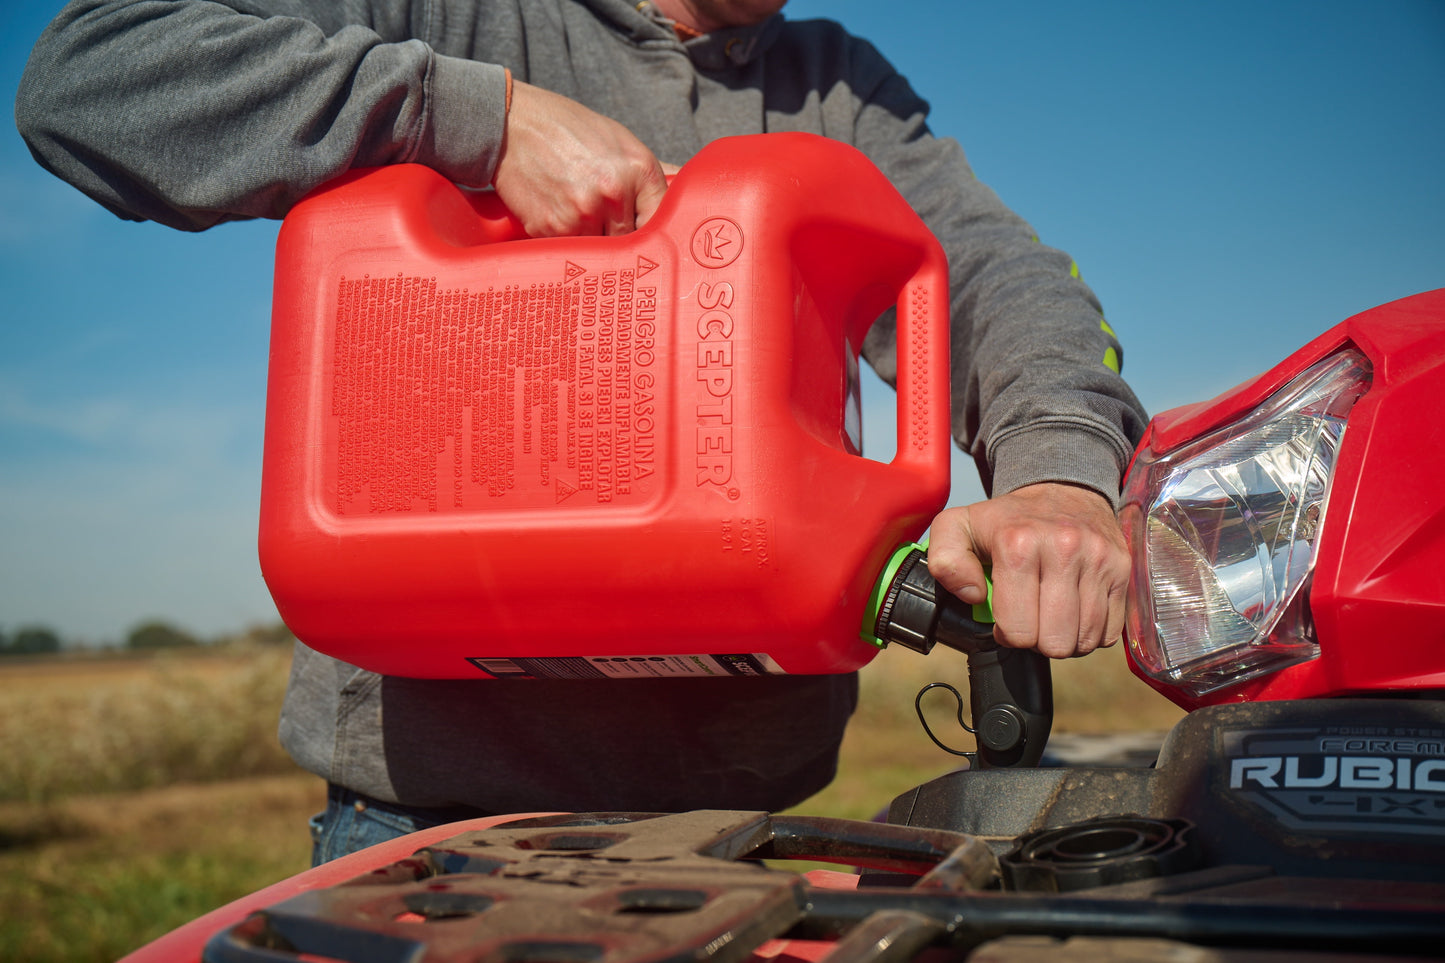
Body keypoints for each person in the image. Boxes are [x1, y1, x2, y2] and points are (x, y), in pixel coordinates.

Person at [16, 0, 1148, 862]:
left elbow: (996, 277)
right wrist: (482, 120)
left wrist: (1058, 469)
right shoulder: (453, 16)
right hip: (425, 826)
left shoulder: (834, 84)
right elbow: (92, 73)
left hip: (742, 832)